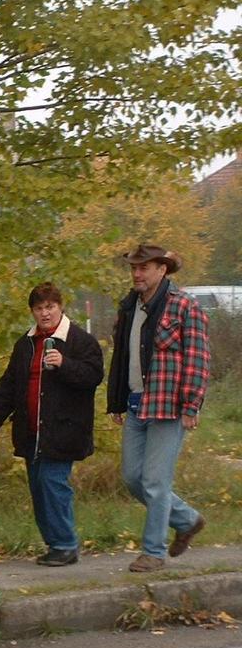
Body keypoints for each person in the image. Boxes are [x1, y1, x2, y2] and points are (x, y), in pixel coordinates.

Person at [0, 282, 104, 566]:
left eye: (50, 307)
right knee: (39, 487)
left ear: (60, 307)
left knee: (53, 484)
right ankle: (55, 545)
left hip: (64, 429)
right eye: (39, 308)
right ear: (32, 312)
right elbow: (9, 384)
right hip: (31, 430)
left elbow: (93, 376)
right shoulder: (25, 344)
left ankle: (65, 544)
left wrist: (65, 363)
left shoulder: (81, 341)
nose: (45, 314)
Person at [107, 244, 210, 573]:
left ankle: (153, 552)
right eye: (134, 268)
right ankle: (187, 519)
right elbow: (122, 356)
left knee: (155, 481)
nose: (137, 273)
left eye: (144, 267)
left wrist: (191, 405)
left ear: (162, 270)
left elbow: (197, 360)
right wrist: (117, 400)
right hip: (137, 404)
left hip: (168, 407)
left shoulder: (184, 307)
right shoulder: (130, 307)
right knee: (133, 477)